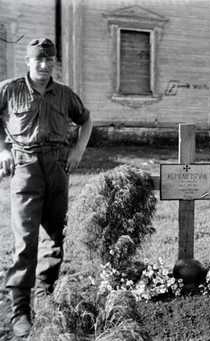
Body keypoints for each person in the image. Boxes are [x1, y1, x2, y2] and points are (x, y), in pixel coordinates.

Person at [0, 38, 92, 337]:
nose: (44, 65)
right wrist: (2, 150)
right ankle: (19, 311)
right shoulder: (10, 89)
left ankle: (45, 294)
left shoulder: (65, 95)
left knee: (55, 236)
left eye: (49, 61)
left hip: (57, 167)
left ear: (55, 63)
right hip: (24, 166)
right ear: (28, 61)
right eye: (38, 60)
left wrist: (77, 151)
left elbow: (85, 119)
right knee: (25, 241)